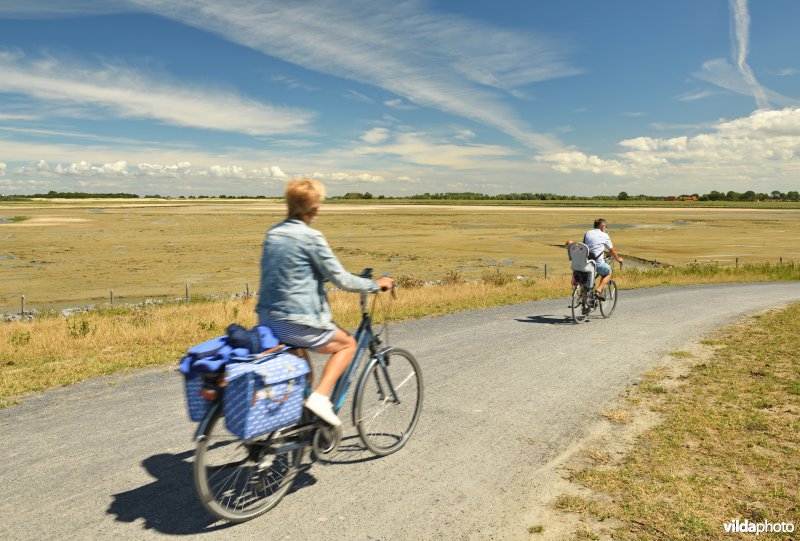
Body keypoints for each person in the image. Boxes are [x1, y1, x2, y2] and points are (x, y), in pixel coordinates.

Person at [256, 178, 394, 427]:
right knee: (348, 345)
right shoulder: (311, 237)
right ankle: (320, 399)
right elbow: (341, 279)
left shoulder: (273, 233)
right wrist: (376, 284)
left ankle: (300, 427)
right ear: (315, 208)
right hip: (297, 322)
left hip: (268, 321)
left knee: (304, 374)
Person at [565, 218, 623, 299]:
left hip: (586, 262)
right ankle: (598, 291)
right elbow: (612, 250)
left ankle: (583, 297)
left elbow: (585, 247)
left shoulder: (587, 233)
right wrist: (618, 259)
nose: (606, 229)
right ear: (602, 226)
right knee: (608, 272)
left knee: (587, 277)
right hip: (597, 263)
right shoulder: (605, 235)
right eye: (606, 227)